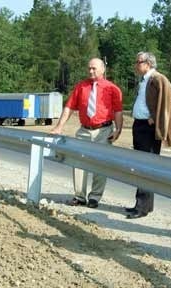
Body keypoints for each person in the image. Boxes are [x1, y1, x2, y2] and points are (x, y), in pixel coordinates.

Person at [50, 57, 123, 208]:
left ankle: (95, 197)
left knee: (101, 164)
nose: (90, 71)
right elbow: (69, 107)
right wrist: (59, 127)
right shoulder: (81, 87)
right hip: (84, 130)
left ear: (103, 69)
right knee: (78, 161)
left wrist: (118, 130)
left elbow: (118, 111)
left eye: (94, 68)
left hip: (104, 130)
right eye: (89, 68)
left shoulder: (112, 88)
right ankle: (79, 196)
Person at [125, 51, 171, 219]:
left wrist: (155, 119)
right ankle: (143, 205)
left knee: (146, 167)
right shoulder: (145, 80)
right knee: (141, 165)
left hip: (147, 129)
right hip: (139, 126)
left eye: (138, 62)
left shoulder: (157, 78)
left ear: (148, 64)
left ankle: (142, 207)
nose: (136, 65)